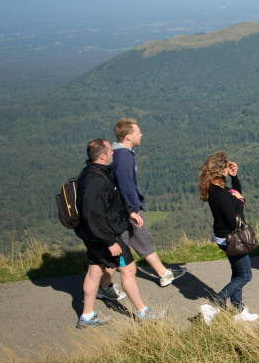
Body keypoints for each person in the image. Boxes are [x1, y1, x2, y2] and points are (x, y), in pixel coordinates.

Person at [75, 139, 165, 327]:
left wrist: (130, 212)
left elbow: (109, 203)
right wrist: (110, 242)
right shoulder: (96, 180)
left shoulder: (91, 173)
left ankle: (87, 316)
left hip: (95, 237)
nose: (113, 153)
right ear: (102, 156)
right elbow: (94, 216)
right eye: (110, 151)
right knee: (129, 270)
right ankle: (142, 312)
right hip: (108, 236)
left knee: (94, 272)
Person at [103, 119, 186, 301]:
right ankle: (103, 285)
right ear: (128, 136)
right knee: (123, 246)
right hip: (127, 211)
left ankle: (163, 273)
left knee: (138, 240)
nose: (141, 135)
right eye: (138, 132)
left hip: (123, 210)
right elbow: (126, 186)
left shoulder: (118, 154)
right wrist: (134, 209)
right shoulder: (124, 157)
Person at [197, 152, 258, 324]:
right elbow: (234, 219)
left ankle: (238, 310)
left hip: (222, 236)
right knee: (245, 275)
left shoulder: (214, 188)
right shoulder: (222, 194)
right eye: (226, 167)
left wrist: (235, 178)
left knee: (238, 272)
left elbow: (231, 196)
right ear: (221, 171)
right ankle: (213, 305)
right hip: (231, 239)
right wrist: (241, 200)